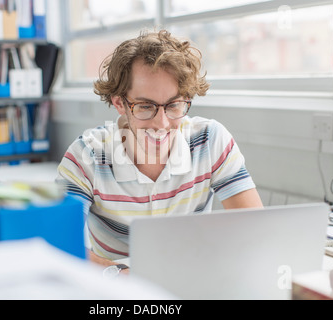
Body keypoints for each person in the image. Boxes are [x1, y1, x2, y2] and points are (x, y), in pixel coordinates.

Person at [57, 30, 263, 271]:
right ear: (119, 103)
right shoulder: (86, 155)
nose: (162, 123)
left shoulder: (209, 140)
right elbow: (59, 243)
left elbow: (255, 230)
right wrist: (118, 274)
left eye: (174, 105)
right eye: (145, 106)